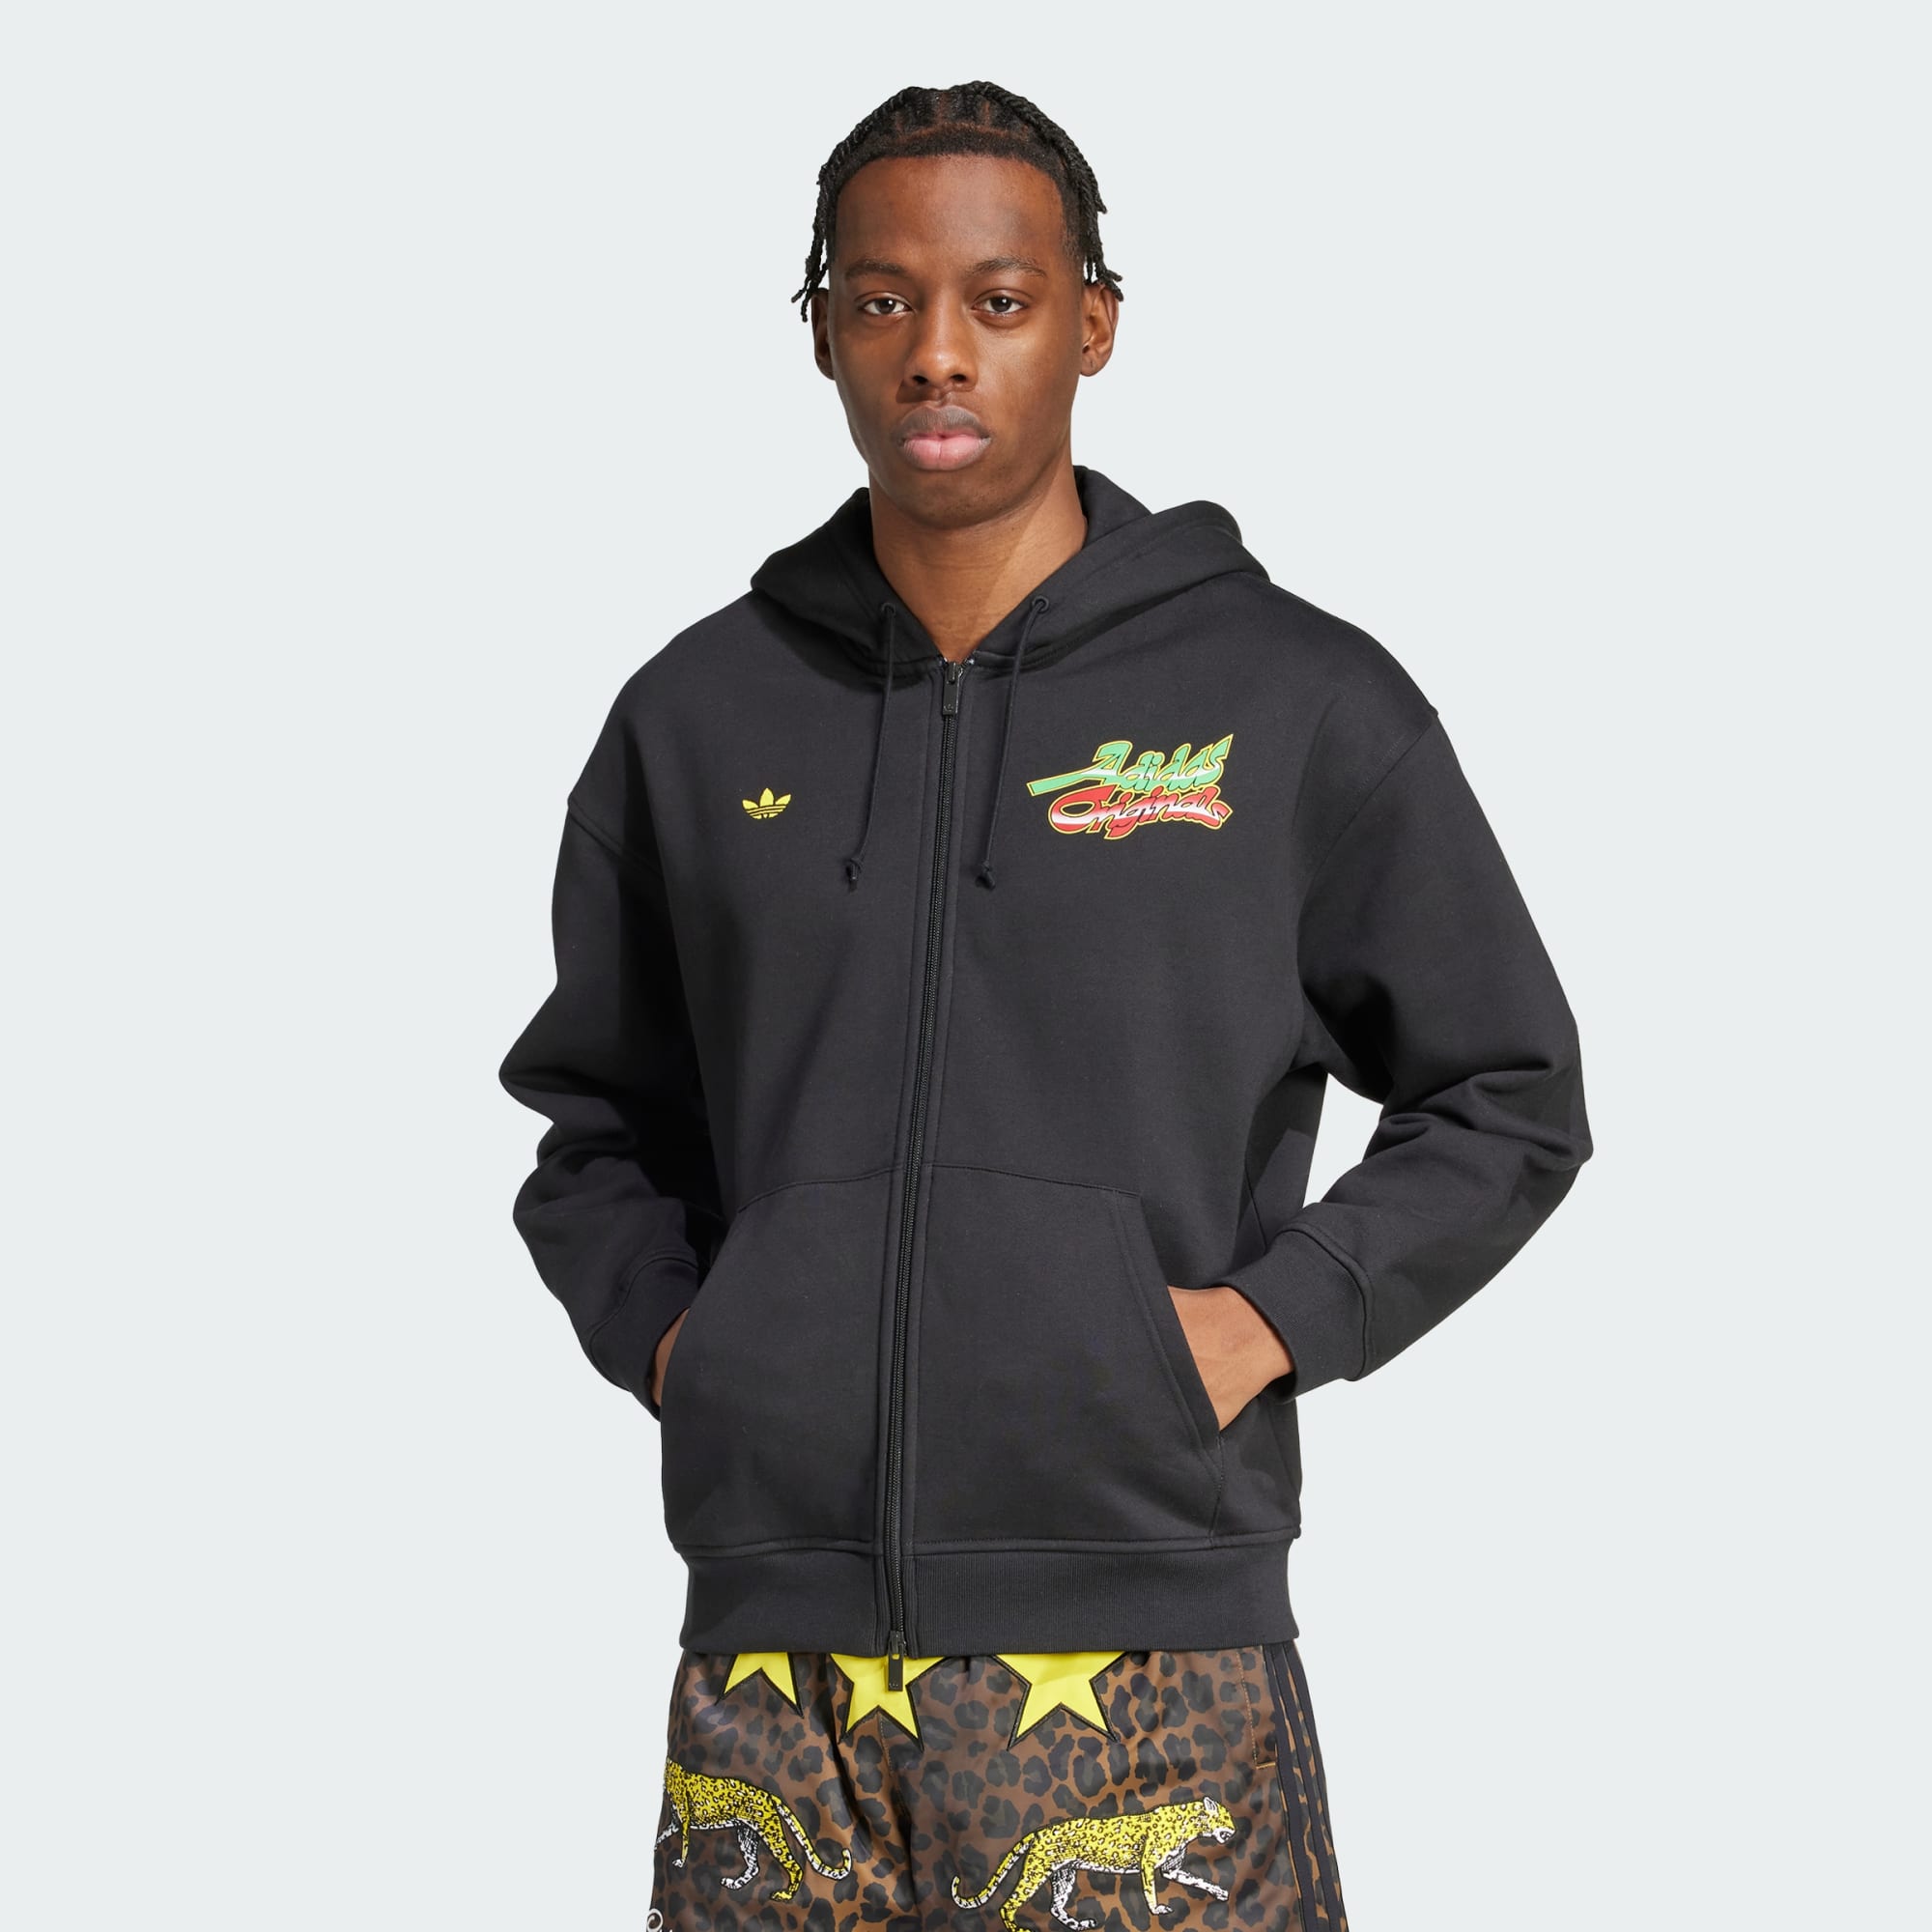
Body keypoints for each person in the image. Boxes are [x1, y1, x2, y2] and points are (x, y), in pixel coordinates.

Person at [499, 79, 1592, 1932]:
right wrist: (698, 1348)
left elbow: (1509, 1089)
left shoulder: (1293, 701)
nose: (937, 352)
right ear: (822, 331)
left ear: (1091, 324)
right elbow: (596, 1120)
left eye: (998, 302)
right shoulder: (696, 715)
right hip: (776, 1669)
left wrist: (1264, 1324)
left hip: (1154, 1660)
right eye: (881, 299)